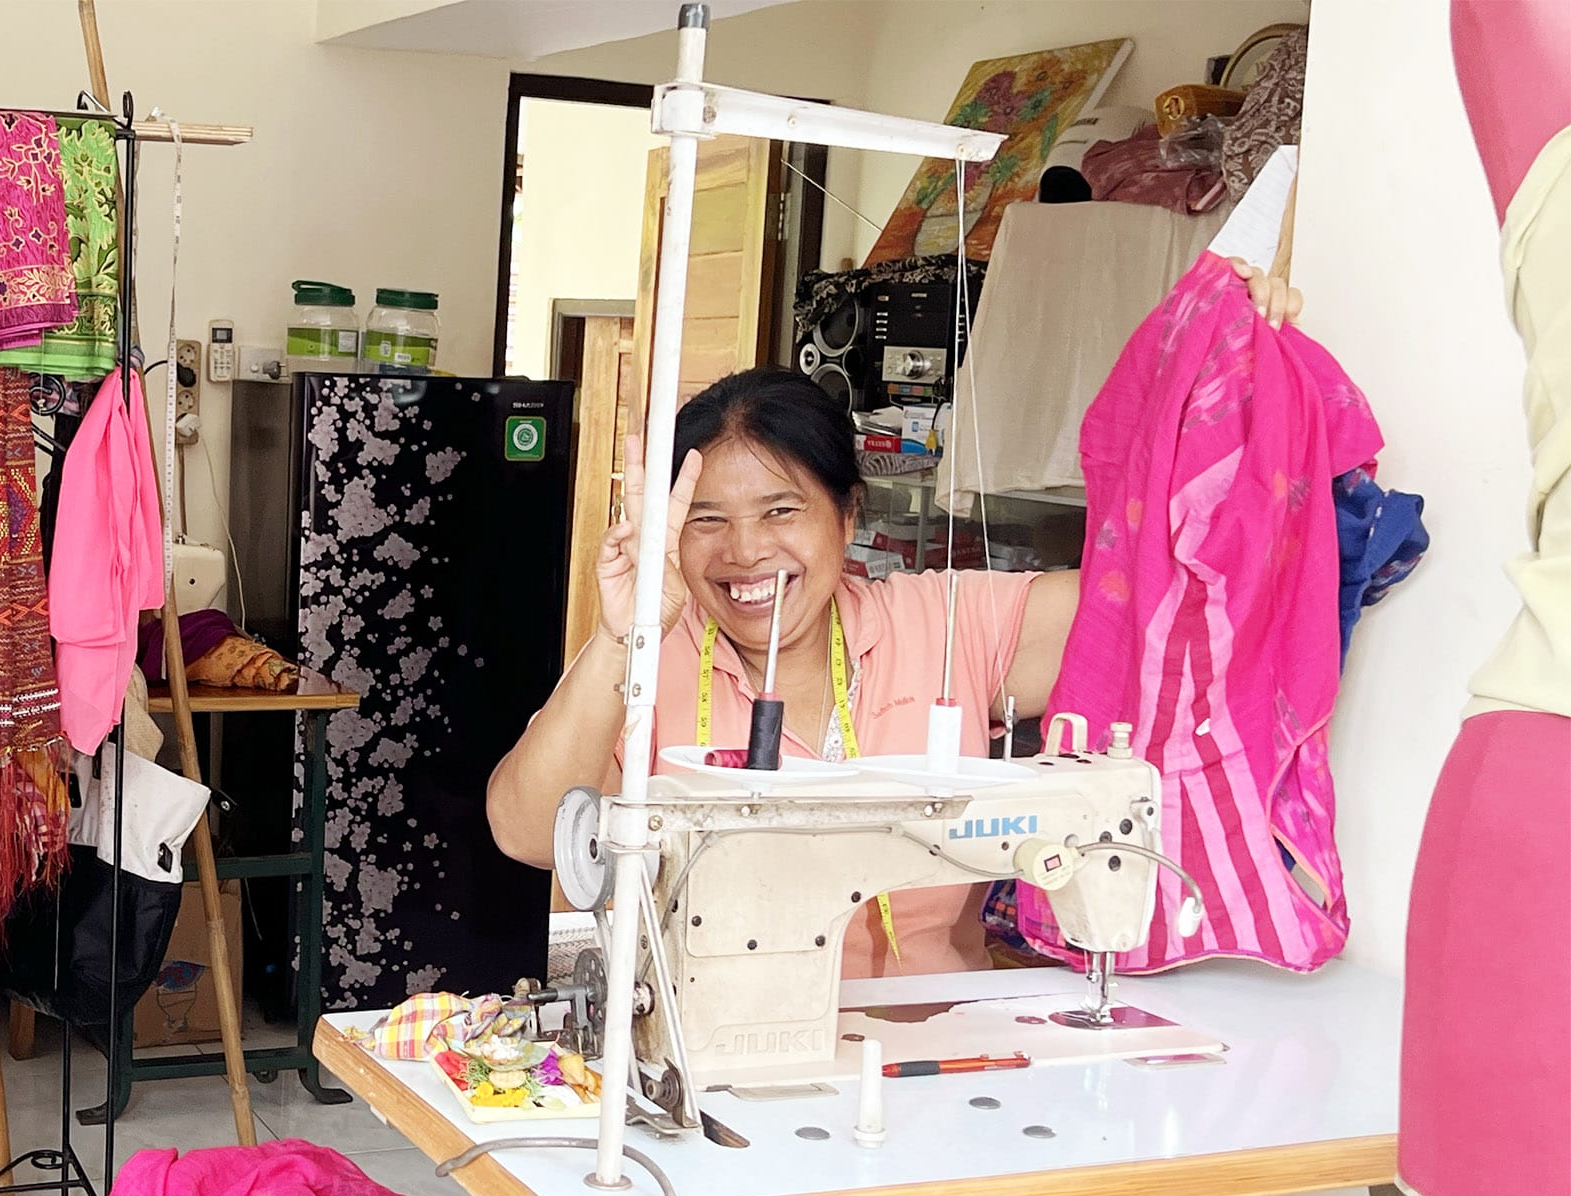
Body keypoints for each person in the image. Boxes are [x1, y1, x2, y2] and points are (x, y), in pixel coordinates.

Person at [487, 256, 1300, 979]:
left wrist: (1228, 366)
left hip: (939, 1059)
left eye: (780, 511)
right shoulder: (650, 662)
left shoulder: (947, 623)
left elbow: (1160, 597)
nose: (744, 552)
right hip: (713, 1058)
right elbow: (526, 834)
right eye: (706, 520)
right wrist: (618, 638)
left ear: (846, 515)